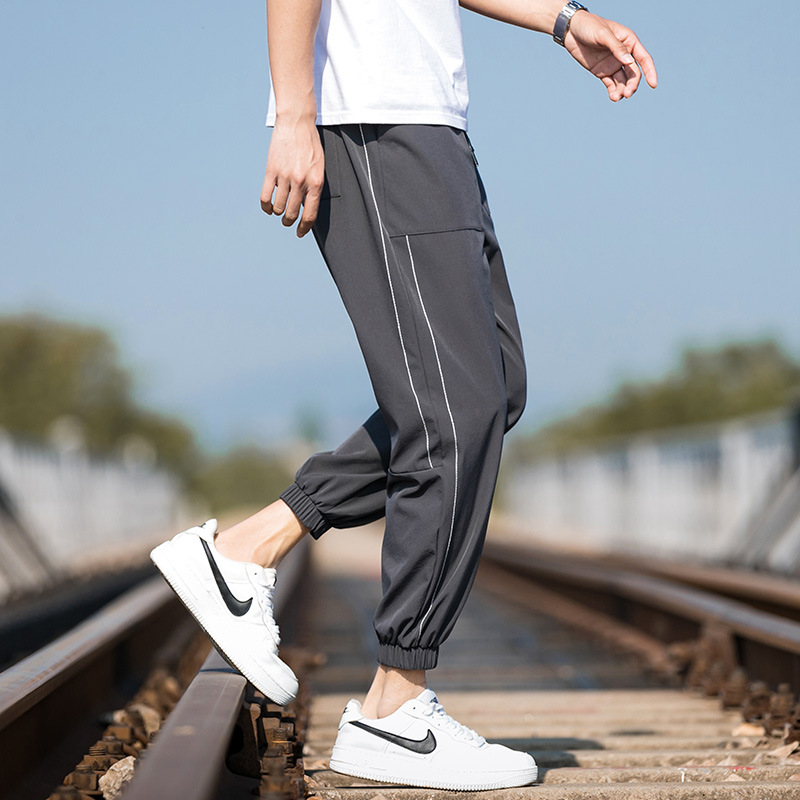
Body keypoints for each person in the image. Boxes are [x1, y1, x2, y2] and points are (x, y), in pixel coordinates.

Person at [151, 0, 657, 790]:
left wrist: (563, 20)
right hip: (376, 118)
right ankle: (395, 705)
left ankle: (248, 548)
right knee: (454, 411)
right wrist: (295, 115)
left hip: (429, 122)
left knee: (492, 389)